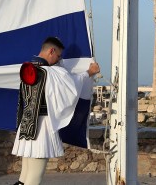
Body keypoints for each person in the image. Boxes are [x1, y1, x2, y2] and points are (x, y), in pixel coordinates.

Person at [12, 36, 100, 185]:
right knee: (34, 177)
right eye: (58, 56)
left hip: (26, 125)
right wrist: (89, 72)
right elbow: (72, 84)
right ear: (51, 51)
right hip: (42, 128)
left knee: (24, 176)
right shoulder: (51, 73)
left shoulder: (27, 68)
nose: (59, 60)